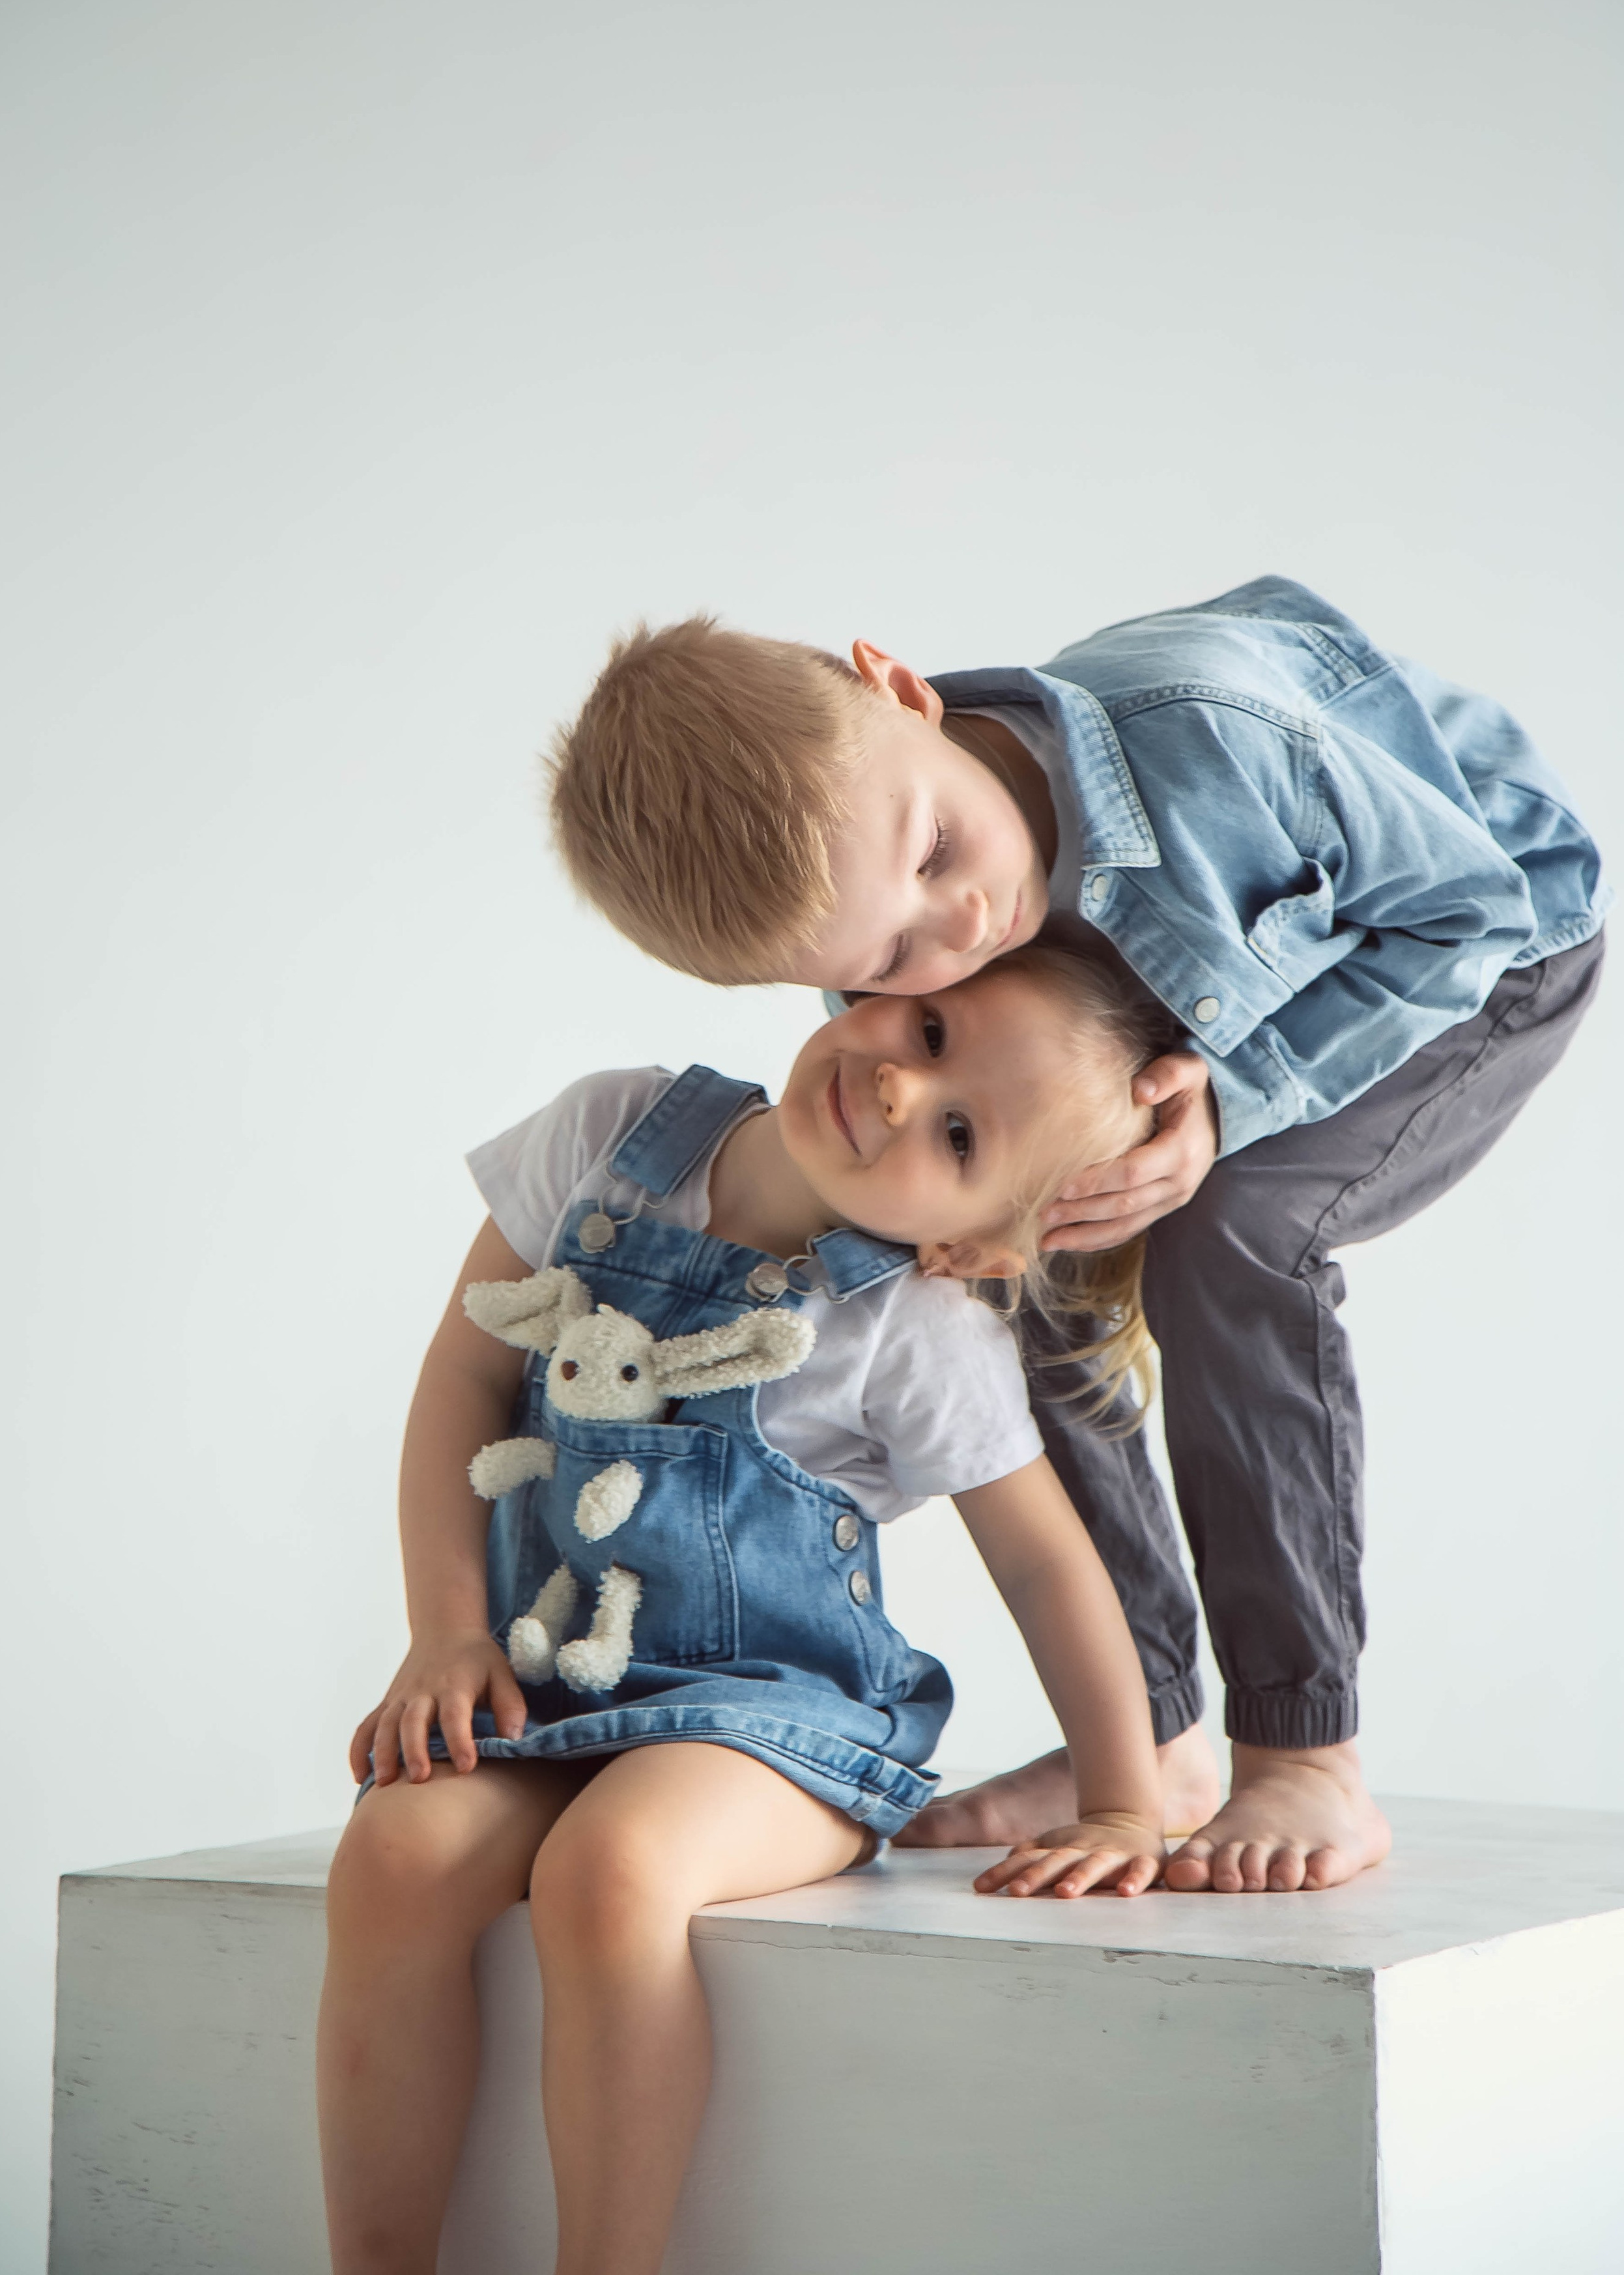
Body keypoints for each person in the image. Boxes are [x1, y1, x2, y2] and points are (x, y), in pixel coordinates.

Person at [549, 575, 1608, 1895]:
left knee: (1229, 1224)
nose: (960, 934)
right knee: (1028, 1237)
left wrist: (1233, 1097)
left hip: (1475, 941)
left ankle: (1300, 1748)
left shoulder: (1215, 734)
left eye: (939, 856)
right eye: (885, 963)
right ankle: (1150, 1738)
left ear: (899, 688)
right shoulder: (875, 903)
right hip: (1262, 963)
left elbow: (1474, 908)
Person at [319, 945, 1175, 2275]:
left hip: (779, 1728)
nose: (896, 1087)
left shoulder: (915, 1324)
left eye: (956, 1134)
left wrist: (1123, 1798)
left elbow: (1044, 1565)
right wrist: (445, 1631)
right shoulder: (610, 1135)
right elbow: (462, 1383)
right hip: (553, 1679)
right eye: (934, 1031)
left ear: (970, 1242)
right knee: (393, 1854)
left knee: (611, 1875)